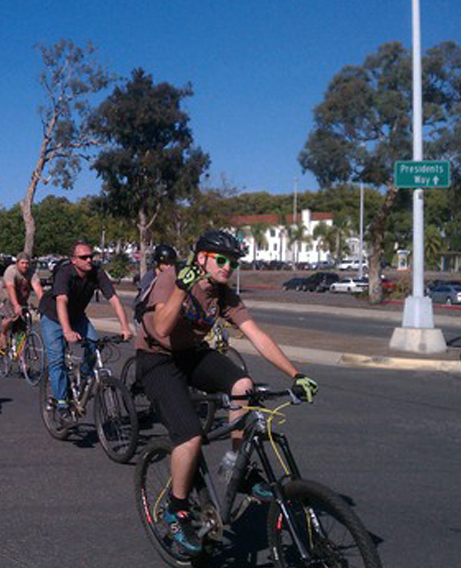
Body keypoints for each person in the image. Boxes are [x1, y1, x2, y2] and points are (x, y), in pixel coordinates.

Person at [134, 229, 318, 561]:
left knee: (243, 386)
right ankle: (176, 512)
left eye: (232, 262)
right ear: (201, 257)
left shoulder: (223, 295)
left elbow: (256, 335)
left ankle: (236, 468)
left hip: (191, 354)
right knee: (189, 436)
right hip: (157, 360)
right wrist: (180, 288)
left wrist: (296, 373)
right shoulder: (173, 278)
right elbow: (160, 329)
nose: (227, 268)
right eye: (221, 260)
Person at [38, 241, 133, 425]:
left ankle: (83, 377)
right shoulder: (65, 273)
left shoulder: (97, 272)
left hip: (77, 316)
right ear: (74, 260)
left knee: (95, 345)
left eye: (91, 256)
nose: (89, 260)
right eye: (84, 257)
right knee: (57, 360)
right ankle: (62, 404)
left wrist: (125, 327)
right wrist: (67, 331)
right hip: (52, 316)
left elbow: (113, 300)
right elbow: (61, 302)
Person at [0, 252, 44, 351]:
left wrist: (44, 305)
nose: (25, 265)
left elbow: (38, 288)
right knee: (10, 317)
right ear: (17, 263)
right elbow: (10, 288)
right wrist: (16, 305)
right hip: (5, 297)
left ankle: (22, 360)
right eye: (22, 263)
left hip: (21, 299)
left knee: (23, 328)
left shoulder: (31, 273)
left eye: (27, 263)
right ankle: (3, 334)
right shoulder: (11, 271)